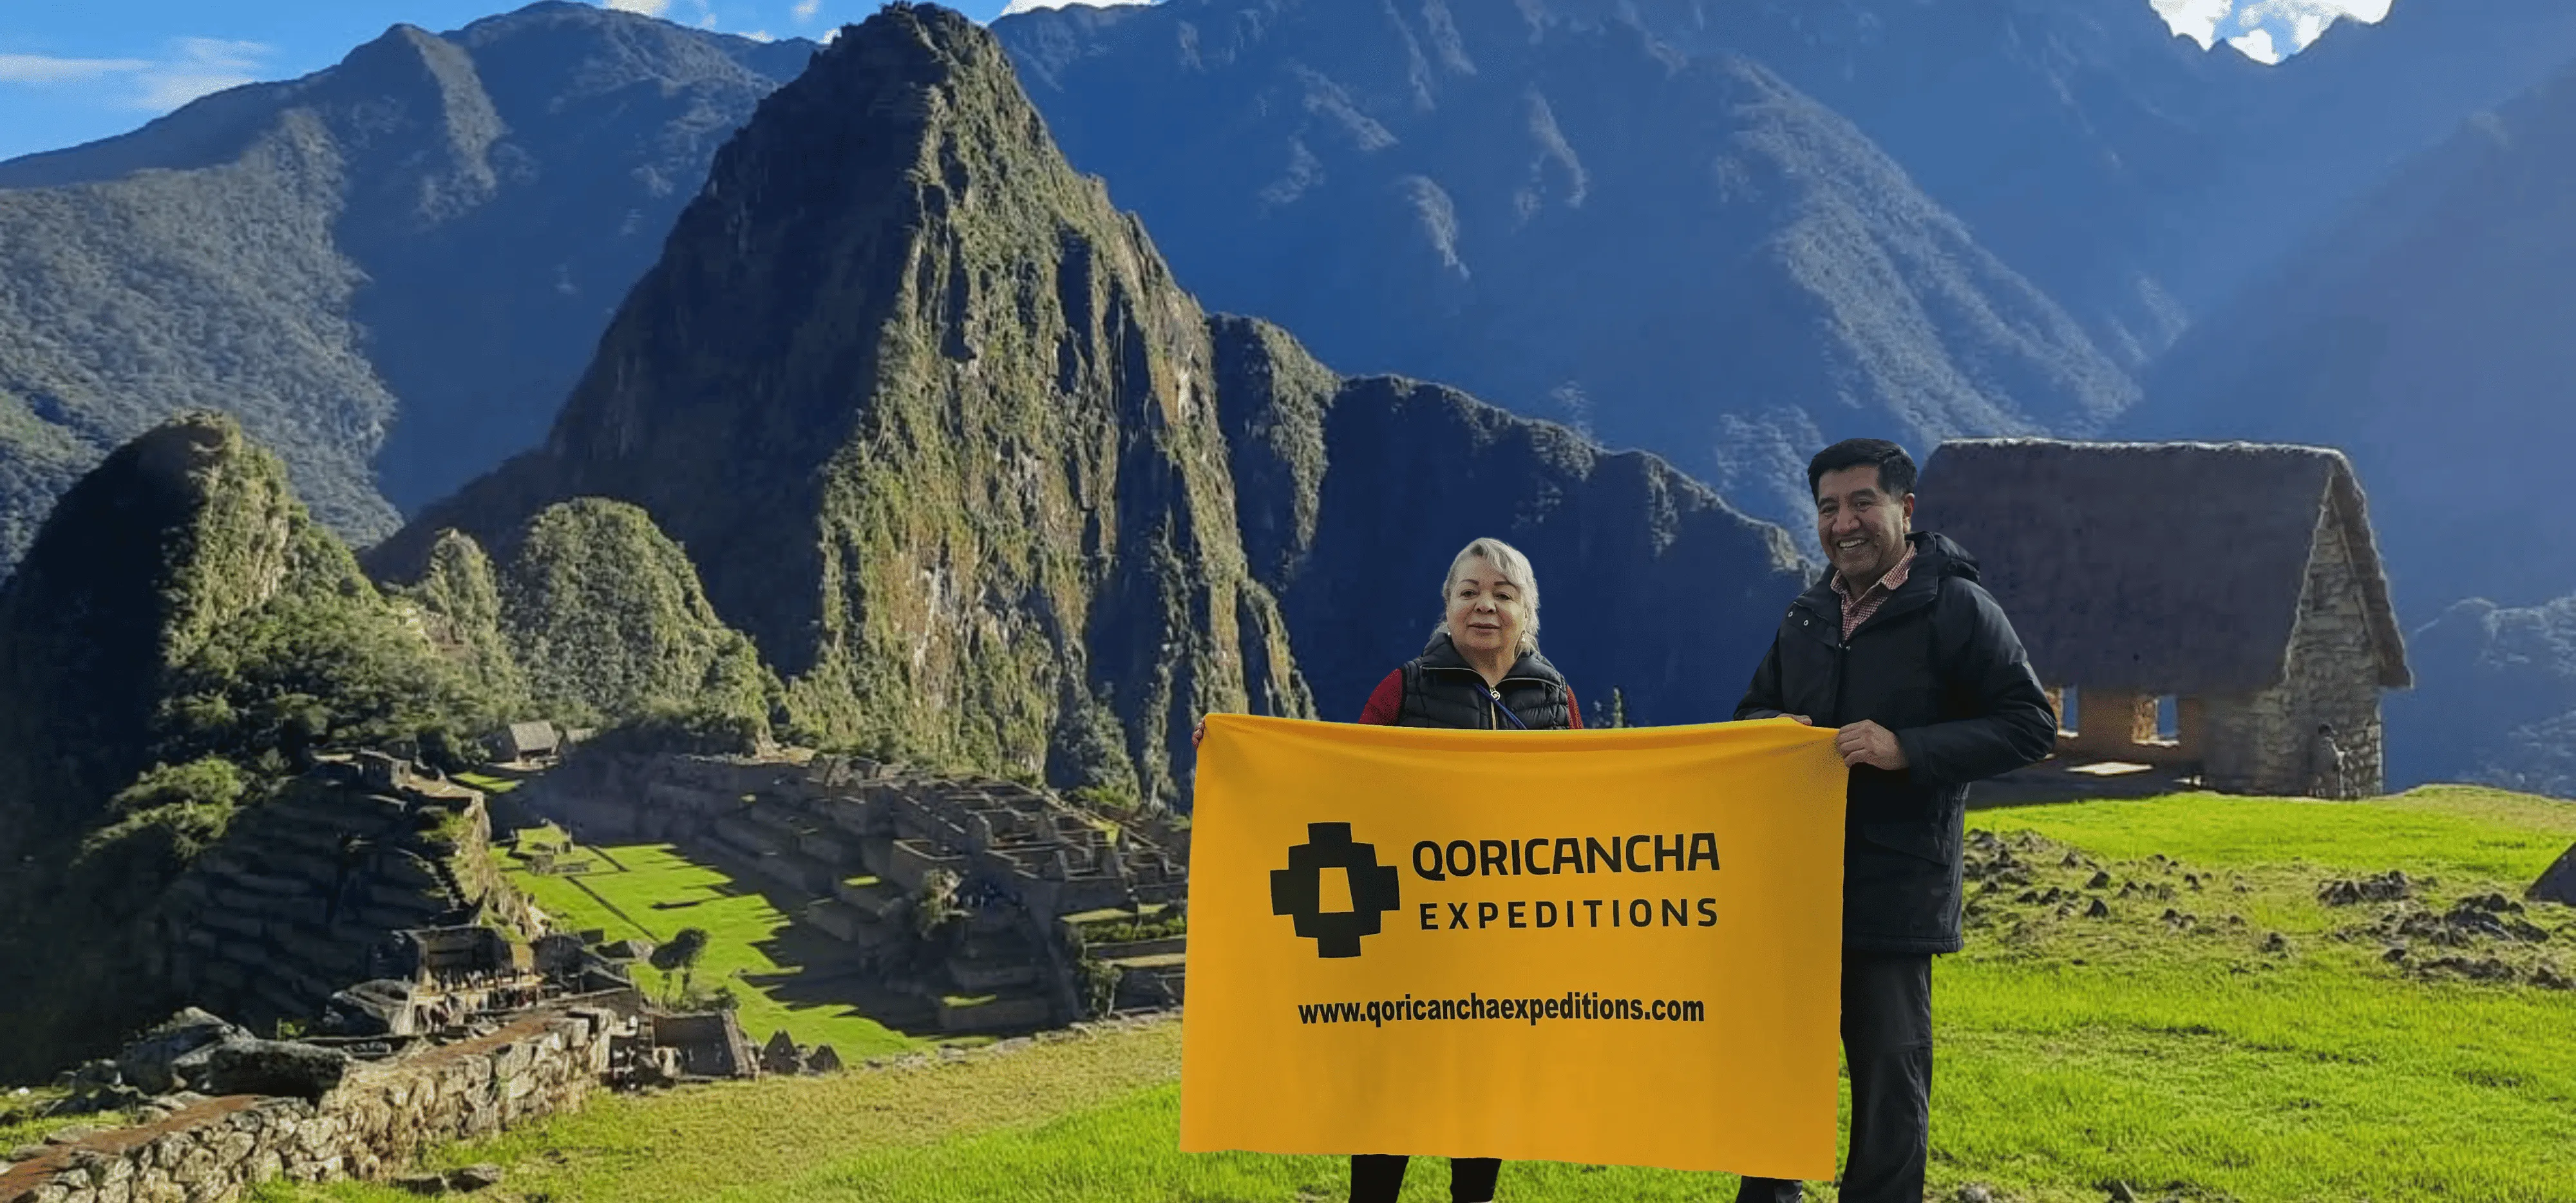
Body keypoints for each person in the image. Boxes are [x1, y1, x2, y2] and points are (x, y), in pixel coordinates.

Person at [1195, 536, 1580, 1202]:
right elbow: (1339, 783)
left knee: (1482, 1092)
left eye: (1502, 592)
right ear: (1448, 606)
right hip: (1408, 937)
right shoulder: (1404, 687)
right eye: (1468, 592)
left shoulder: (1553, 699)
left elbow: (1592, 802)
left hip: (1502, 940)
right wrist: (1239, 756)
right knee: (1391, 1093)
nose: (1484, 605)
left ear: (1527, 609)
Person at [1733, 439, 2056, 1203]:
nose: (1842, 522)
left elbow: (2029, 723)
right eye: (1826, 507)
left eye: (1861, 503)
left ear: (1904, 511)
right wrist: (1770, 727)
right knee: (1779, 1072)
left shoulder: (1956, 607)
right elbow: (1748, 709)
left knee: (1889, 1083)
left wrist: (1905, 747)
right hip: (1798, 888)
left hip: (1894, 889)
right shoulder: (1806, 613)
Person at [2309, 722, 2347, 800]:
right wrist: (2342, 755)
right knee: (2334, 790)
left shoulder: (2315, 743)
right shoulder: (2328, 743)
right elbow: (2334, 756)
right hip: (2330, 770)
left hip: (2318, 770)